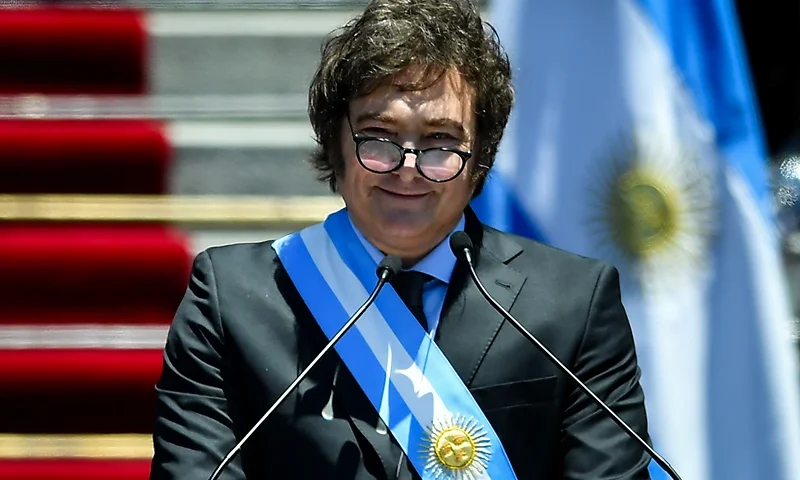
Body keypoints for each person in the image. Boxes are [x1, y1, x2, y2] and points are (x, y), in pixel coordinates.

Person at [149, 1, 652, 478]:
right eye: (379, 137)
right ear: (336, 142)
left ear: (480, 160)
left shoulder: (573, 302)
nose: (407, 169)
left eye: (440, 142)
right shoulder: (232, 299)